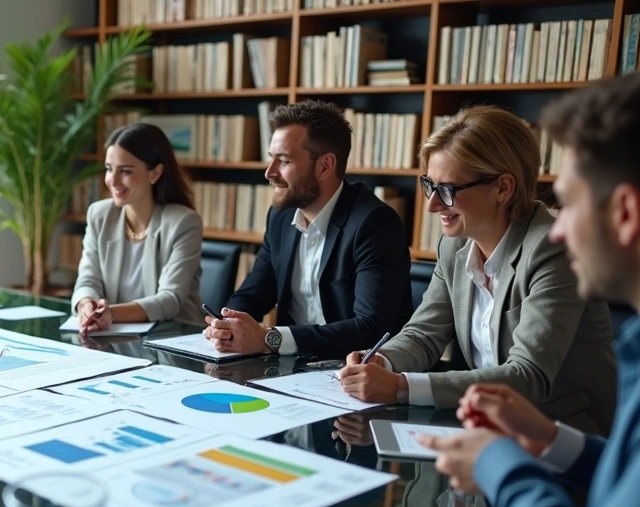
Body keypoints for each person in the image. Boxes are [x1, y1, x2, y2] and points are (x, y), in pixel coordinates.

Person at [416, 74, 640, 507]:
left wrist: (501, 462)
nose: (558, 230)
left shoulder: (544, 249)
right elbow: (628, 473)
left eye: (569, 204)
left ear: (625, 213)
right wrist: (549, 439)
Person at [338, 106, 616, 436]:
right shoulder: (453, 246)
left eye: (448, 190)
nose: (432, 205)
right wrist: (382, 361)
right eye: (430, 185)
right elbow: (423, 334)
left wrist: (400, 387)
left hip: (565, 432)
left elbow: (528, 375)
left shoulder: (553, 247)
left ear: (503, 188)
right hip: (486, 424)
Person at [202, 101, 412, 359]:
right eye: (271, 158)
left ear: (325, 166)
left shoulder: (374, 223)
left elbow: (371, 329)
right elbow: (254, 293)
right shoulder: (281, 216)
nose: (269, 172)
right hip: (290, 365)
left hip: (353, 368)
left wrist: (270, 338)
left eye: (284, 161)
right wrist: (226, 324)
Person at [71, 122, 204, 330]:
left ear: (155, 173)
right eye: (109, 169)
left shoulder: (184, 223)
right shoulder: (99, 215)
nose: (112, 181)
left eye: (125, 171)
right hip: (116, 337)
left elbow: (170, 300)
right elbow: (87, 280)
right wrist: (86, 305)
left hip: (173, 336)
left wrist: (109, 314)